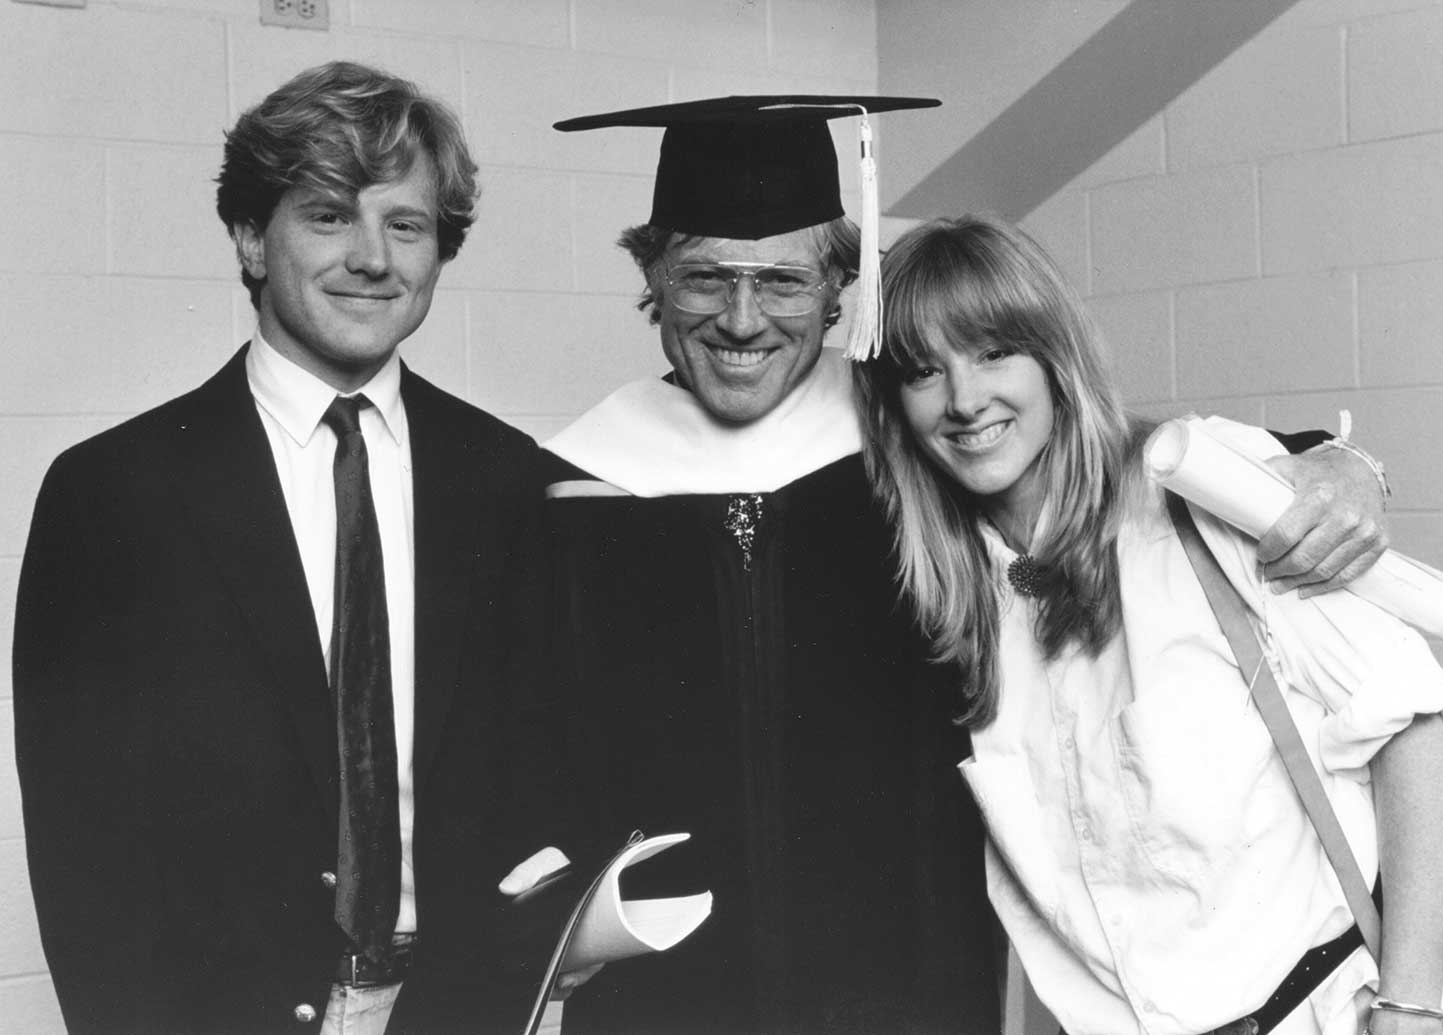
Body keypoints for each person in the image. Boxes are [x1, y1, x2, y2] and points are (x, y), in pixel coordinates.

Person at [541, 97, 1396, 1033]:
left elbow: (1114, 454)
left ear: (838, 288)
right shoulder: (566, 487)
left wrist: (1336, 461)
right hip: (668, 996)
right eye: (704, 277)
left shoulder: (916, 440)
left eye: (783, 281)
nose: (744, 319)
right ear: (653, 280)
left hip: (914, 979)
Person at [13, 61, 564, 1035]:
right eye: (326, 216)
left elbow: (542, 770)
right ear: (249, 239)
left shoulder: (510, 479)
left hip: (458, 1012)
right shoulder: (116, 493)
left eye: (406, 225)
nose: (371, 258)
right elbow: (81, 846)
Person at [851, 215, 1443, 1035]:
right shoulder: (943, 596)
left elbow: (1407, 721)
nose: (964, 400)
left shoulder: (1191, 489)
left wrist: (1411, 1002)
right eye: (925, 371)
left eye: (995, 351)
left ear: (1053, 356)